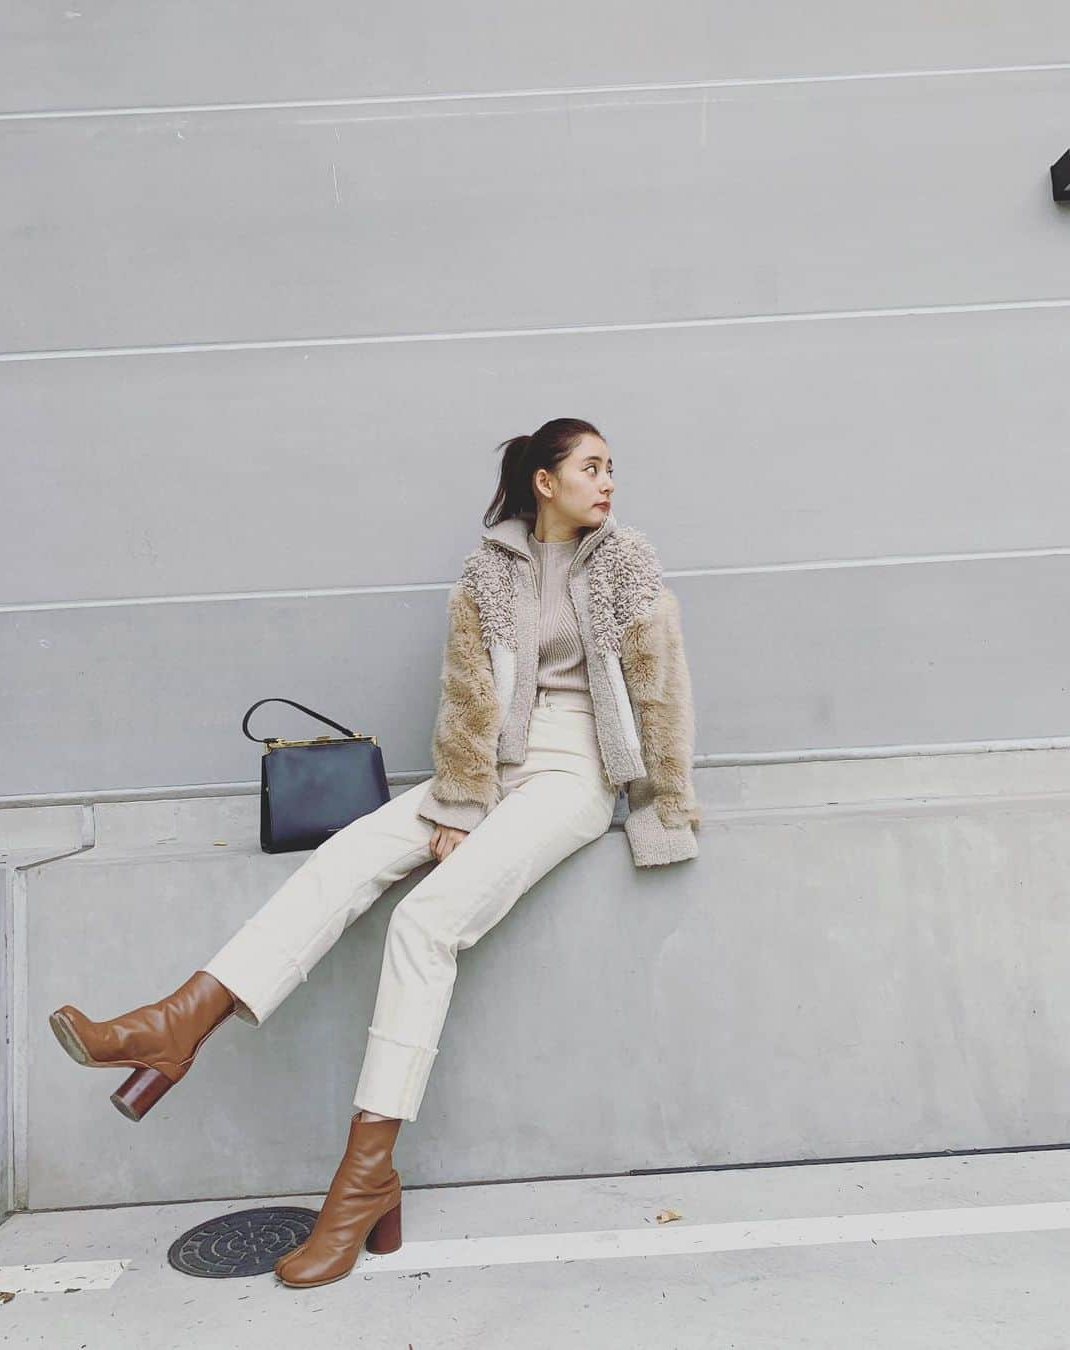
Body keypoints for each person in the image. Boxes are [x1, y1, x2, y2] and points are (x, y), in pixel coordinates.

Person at [47, 416, 701, 1289]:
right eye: (591, 467)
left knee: (426, 922)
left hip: (575, 768)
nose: (608, 480)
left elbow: (660, 695)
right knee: (345, 857)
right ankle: (179, 1023)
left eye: (611, 468)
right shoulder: (486, 575)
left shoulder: (629, 564)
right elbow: (467, 699)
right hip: (491, 762)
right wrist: (463, 799)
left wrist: (664, 812)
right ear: (545, 481)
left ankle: (364, 1178)